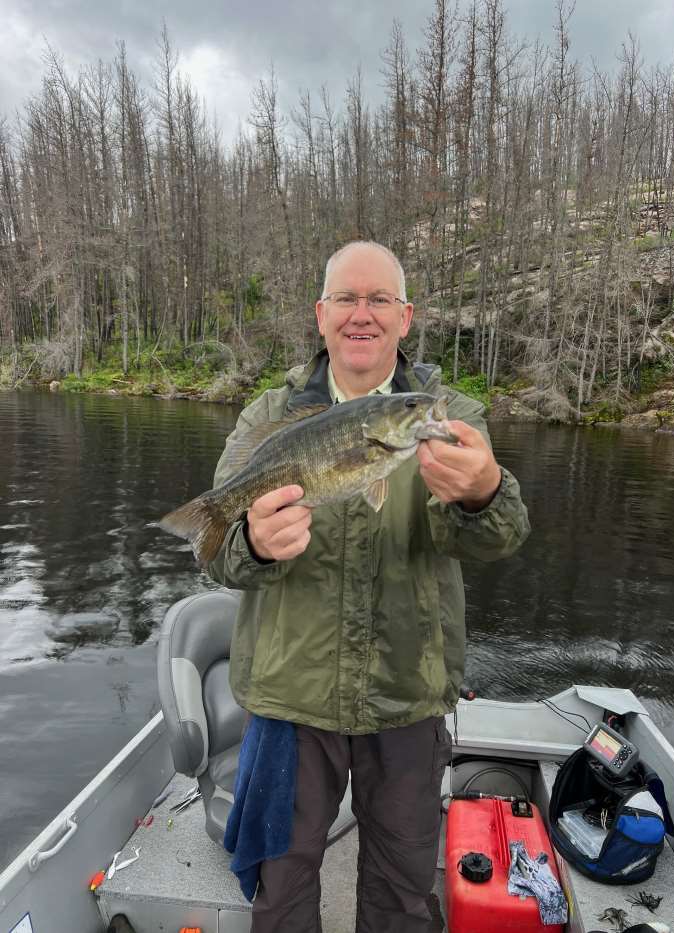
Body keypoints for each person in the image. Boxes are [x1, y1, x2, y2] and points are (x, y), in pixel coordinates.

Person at [207, 240, 530, 932]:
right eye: (346, 299)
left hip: (406, 698)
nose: (363, 314)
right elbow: (217, 557)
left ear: (405, 316)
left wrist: (485, 494)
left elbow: (503, 537)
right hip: (290, 700)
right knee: (281, 891)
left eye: (379, 298)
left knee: (403, 896)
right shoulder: (267, 419)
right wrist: (254, 545)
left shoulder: (447, 417)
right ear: (320, 315)